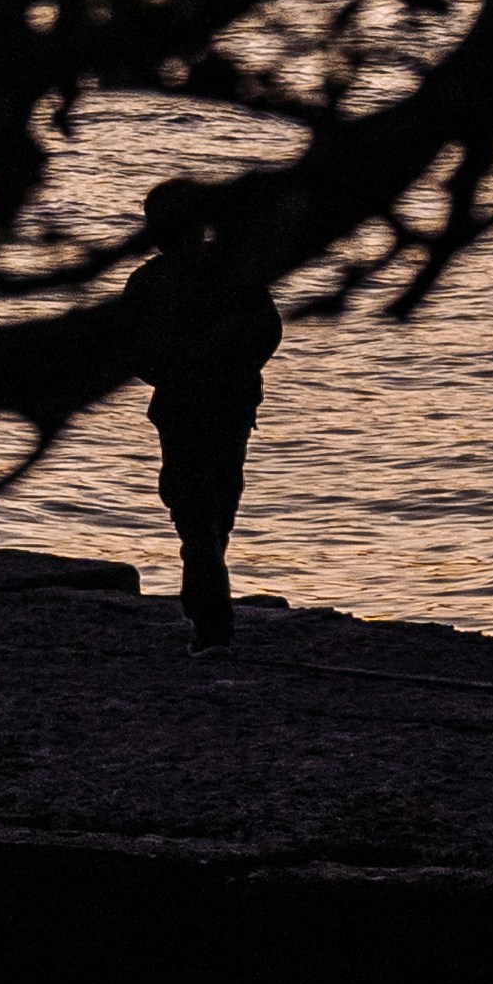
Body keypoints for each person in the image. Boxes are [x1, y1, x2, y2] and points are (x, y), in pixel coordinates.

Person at [134, 198, 288, 653]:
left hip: (209, 403)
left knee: (207, 506)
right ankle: (209, 613)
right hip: (207, 404)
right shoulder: (167, 279)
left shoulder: (167, 278)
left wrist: (219, 369)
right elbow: (133, 346)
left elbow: (266, 331)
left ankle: (205, 604)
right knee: (204, 505)